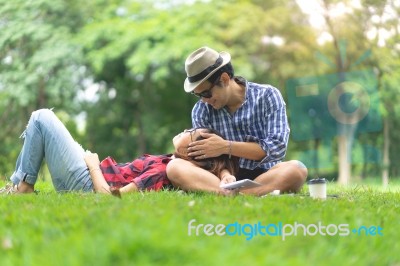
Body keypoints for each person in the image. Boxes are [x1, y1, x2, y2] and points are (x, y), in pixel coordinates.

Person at [167, 46, 308, 196]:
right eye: (199, 95)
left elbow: (277, 147)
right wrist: (225, 175)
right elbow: (206, 159)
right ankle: (239, 193)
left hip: (266, 175)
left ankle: (232, 194)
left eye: (207, 93)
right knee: (174, 167)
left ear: (225, 79)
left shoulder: (268, 95)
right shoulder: (201, 110)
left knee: (297, 169)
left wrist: (226, 147)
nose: (204, 100)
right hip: (220, 178)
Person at [0, 109, 238, 196]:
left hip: (87, 183)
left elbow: (110, 198)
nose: (188, 129)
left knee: (42, 118)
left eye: (193, 133)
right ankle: (20, 184)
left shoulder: (163, 172)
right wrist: (225, 173)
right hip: (90, 173)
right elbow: (217, 165)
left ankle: (23, 188)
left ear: (194, 152)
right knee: (45, 125)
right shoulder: (171, 161)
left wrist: (93, 165)